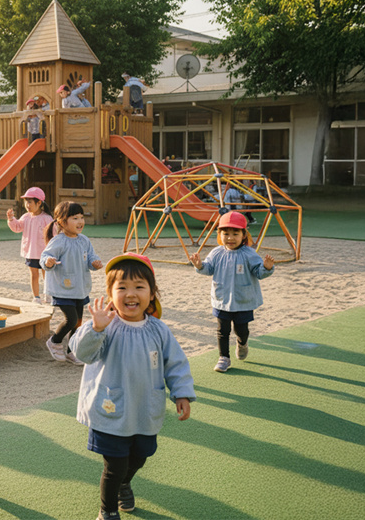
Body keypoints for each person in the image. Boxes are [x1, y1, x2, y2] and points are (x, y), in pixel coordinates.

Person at [70, 253, 195, 520]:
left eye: (139, 286)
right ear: (110, 294)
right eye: (122, 287)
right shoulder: (105, 326)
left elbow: (175, 363)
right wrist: (95, 329)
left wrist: (182, 393)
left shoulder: (158, 330)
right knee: (114, 465)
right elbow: (82, 353)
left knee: (140, 456)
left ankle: (124, 483)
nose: (130, 294)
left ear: (152, 293)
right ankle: (108, 511)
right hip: (110, 409)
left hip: (144, 409)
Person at [189, 211, 274, 372]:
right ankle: (224, 358)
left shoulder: (249, 254)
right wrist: (200, 266)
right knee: (222, 330)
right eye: (226, 233)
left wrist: (266, 268)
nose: (230, 238)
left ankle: (242, 343)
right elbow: (208, 269)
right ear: (219, 234)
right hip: (221, 299)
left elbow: (259, 272)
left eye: (235, 233)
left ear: (244, 235)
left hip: (243, 300)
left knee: (241, 330)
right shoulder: (216, 253)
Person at [41, 201, 103, 364]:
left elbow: (91, 257)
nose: (80, 221)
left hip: (79, 288)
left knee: (78, 323)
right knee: (72, 319)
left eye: (81, 217)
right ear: (62, 222)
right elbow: (44, 256)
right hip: (63, 288)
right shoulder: (59, 241)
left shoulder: (84, 240)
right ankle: (54, 341)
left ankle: (71, 351)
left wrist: (95, 263)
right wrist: (48, 261)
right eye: (75, 218)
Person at [7, 187, 53, 303]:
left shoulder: (47, 218)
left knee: (46, 275)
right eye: (26, 202)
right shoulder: (26, 217)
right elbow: (17, 227)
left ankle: (48, 294)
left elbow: (53, 234)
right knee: (34, 275)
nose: (27, 205)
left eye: (30, 202)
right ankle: (36, 297)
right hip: (31, 252)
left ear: (39, 203)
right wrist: (11, 219)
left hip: (45, 253)